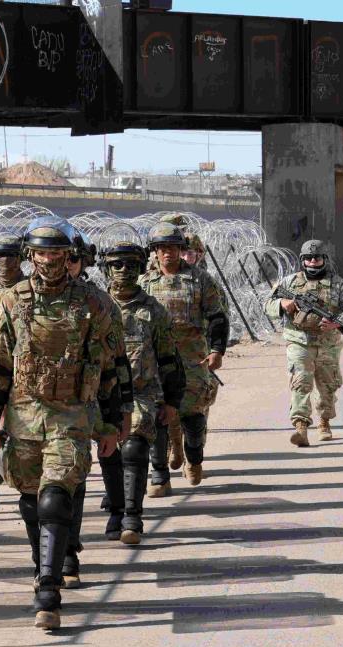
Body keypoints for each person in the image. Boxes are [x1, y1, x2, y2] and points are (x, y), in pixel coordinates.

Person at [0, 220, 124, 630]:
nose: (49, 261)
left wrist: (112, 424)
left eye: (57, 253)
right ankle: (41, 561)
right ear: (31, 256)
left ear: (69, 255)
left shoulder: (95, 304)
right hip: (24, 416)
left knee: (56, 497)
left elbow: (113, 367)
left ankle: (49, 587)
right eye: (41, 253)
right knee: (30, 500)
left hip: (72, 415)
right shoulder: (10, 302)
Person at [98, 241, 185, 544]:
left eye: (131, 265)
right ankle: (116, 508)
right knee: (109, 451)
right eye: (117, 265)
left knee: (134, 447)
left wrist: (172, 401)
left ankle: (132, 517)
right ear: (105, 268)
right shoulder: (95, 306)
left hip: (141, 393)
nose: (124, 271)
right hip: (102, 394)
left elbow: (169, 359)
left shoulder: (153, 311)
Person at [61, 228, 131, 586]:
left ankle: (117, 513)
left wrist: (122, 411)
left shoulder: (99, 303)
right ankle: (61, 549)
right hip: (40, 405)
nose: (65, 265)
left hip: (93, 395)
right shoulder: (21, 300)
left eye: (72, 259)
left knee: (94, 461)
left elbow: (118, 362)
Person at [139, 222, 229, 496]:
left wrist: (216, 350)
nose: (168, 254)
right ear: (154, 252)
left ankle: (194, 457)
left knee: (192, 416)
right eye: (162, 248)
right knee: (156, 416)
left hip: (192, 358)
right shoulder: (144, 283)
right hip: (155, 359)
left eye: (173, 248)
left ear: (181, 250)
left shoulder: (201, 280)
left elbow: (217, 316)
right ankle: (160, 476)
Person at [265, 239, 343, 445]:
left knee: (328, 386)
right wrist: (284, 304)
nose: (313, 261)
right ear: (303, 260)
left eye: (317, 257)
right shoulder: (290, 282)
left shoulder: (338, 284)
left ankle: (324, 421)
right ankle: (301, 427)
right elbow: (268, 304)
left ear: (324, 259)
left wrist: (336, 323)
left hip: (328, 345)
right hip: (299, 342)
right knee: (301, 382)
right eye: (308, 258)